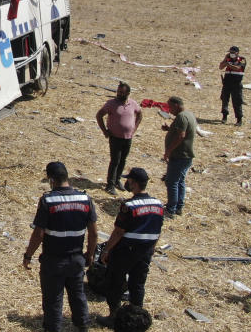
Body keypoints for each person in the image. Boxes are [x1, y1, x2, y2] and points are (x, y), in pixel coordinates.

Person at [23, 162, 98, 332]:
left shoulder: (48, 201)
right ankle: (83, 326)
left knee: (53, 300)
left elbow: (38, 234)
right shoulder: (85, 199)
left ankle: (53, 328)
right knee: (78, 295)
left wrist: (28, 255)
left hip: (53, 261)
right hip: (76, 259)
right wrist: (90, 255)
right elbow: (93, 233)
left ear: (51, 180)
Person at [96, 168, 164, 329]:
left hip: (126, 251)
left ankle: (114, 316)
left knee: (115, 282)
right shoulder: (158, 204)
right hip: (145, 250)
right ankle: (136, 319)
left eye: (129, 180)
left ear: (133, 183)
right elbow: (157, 231)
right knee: (137, 284)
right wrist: (152, 250)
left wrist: (107, 250)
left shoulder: (129, 205)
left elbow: (119, 231)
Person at [95, 82, 143, 195]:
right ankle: (110, 185)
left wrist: (134, 129)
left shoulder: (133, 103)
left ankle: (117, 180)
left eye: (122, 92)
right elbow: (99, 115)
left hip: (128, 138)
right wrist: (104, 131)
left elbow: (140, 114)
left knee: (123, 160)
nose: (119, 94)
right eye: (118, 91)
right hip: (115, 137)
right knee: (115, 161)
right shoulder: (111, 104)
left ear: (128, 93)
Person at [161, 96, 196, 217]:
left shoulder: (181, 117)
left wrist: (168, 151)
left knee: (172, 182)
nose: (169, 110)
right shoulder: (189, 114)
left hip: (180, 155)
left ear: (176, 105)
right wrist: (169, 129)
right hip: (186, 156)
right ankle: (179, 207)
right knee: (180, 181)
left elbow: (181, 136)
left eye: (170, 107)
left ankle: (171, 209)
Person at [219, 45, 246, 125]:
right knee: (224, 100)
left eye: (233, 52)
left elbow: (238, 68)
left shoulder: (242, 60)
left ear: (237, 53)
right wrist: (225, 59)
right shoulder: (227, 59)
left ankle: (239, 119)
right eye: (230, 52)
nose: (231, 54)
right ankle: (224, 116)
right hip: (227, 82)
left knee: (237, 101)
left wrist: (228, 64)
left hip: (236, 84)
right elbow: (220, 67)